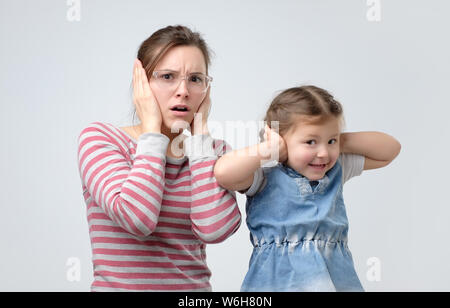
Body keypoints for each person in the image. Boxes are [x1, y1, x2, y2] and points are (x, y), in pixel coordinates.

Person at [77, 25, 241, 291]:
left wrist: (200, 136)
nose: (183, 91)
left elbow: (215, 229)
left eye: (196, 79)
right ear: (141, 83)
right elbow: (137, 218)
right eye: (167, 76)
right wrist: (152, 130)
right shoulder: (101, 139)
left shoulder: (213, 151)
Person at [214, 85, 401, 291]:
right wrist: (269, 150)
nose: (323, 153)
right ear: (281, 141)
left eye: (330, 141)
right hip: (277, 283)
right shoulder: (263, 175)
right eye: (310, 141)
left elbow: (390, 150)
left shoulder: (337, 169)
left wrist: (338, 140)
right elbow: (223, 172)